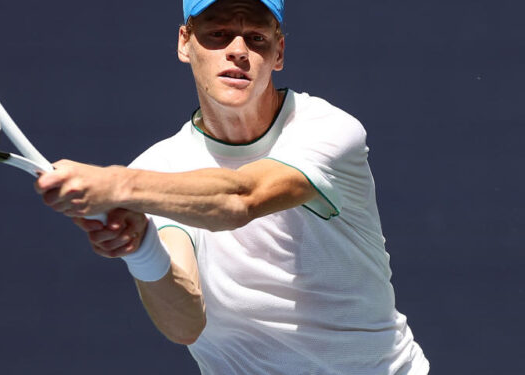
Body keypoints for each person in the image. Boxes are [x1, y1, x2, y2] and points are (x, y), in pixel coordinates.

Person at [35, 0, 430, 373]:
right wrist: (142, 249)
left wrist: (115, 184)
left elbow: (241, 198)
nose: (237, 50)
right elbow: (184, 324)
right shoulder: (158, 169)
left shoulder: (327, 129)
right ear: (185, 43)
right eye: (218, 34)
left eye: (256, 37)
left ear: (279, 53)